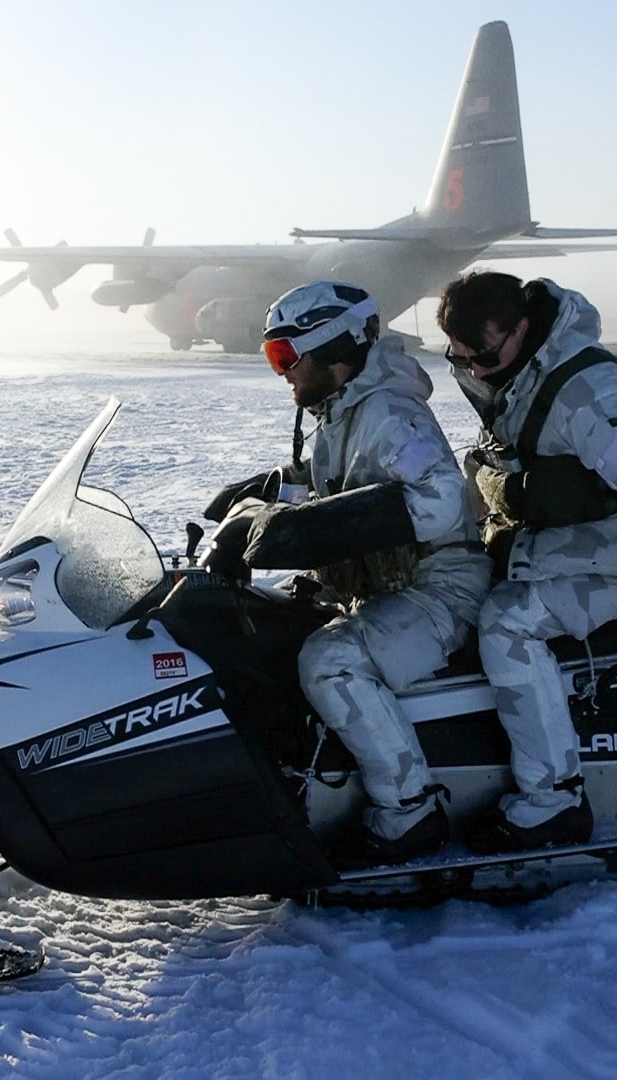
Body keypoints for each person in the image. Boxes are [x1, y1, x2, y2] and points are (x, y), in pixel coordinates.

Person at [205, 281, 489, 867]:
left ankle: (409, 810)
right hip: (382, 582)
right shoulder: (342, 409)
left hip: (440, 586)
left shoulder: (389, 412)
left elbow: (437, 501)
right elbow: (335, 477)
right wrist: (269, 493)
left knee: (329, 661)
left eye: (285, 356)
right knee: (268, 624)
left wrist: (316, 529)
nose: (280, 372)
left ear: (329, 348)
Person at [438, 271, 617, 853]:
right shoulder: (510, 369)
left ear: (520, 328)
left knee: (507, 623)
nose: (474, 372)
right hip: (558, 544)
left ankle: (554, 799)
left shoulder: (590, 394)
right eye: (459, 359)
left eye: (484, 356)